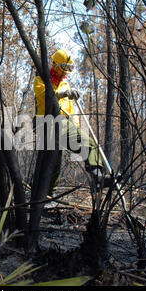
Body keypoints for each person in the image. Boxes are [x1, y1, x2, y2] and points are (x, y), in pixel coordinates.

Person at [33, 49, 105, 195]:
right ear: (56, 65)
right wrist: (60, 94)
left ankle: (98, 176)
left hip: (65, 124)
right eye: (64, 68)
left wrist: (76, 127)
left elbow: (71, 110)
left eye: (68, 69)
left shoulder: (65, 84)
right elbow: (44, 97)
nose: (65, 72)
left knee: (89, 143)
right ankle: (46, 195)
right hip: (47, 122)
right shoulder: (41, 80)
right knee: (52, 160)